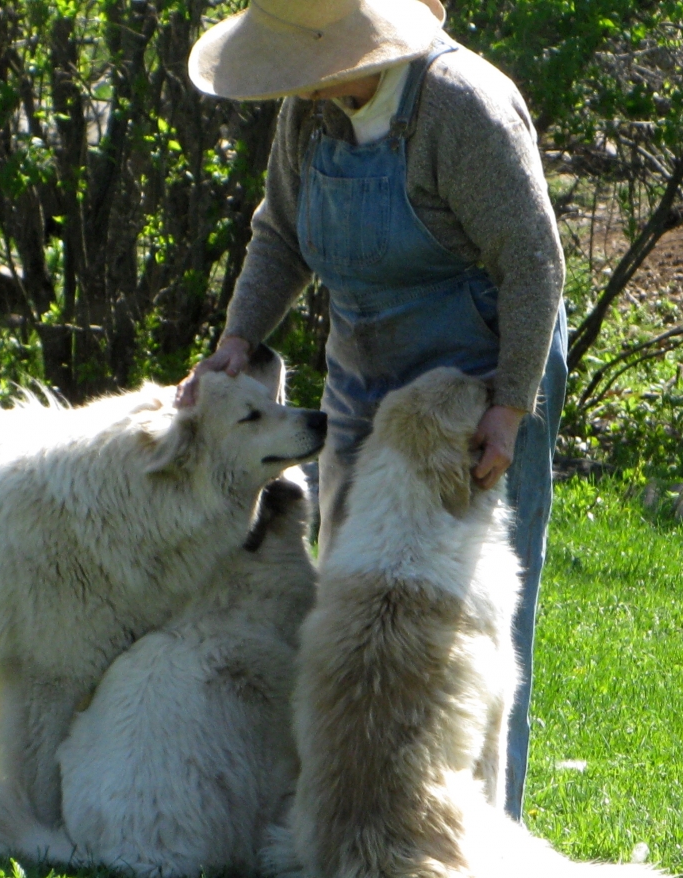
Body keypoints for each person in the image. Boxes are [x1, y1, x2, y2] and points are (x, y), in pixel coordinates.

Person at [176, 0, 567, 821]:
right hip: (363, 370)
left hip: (478, 380)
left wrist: (507, 406)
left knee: (471, 610)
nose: (301, 83)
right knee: (351, 598)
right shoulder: (307, 115)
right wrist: (239, 337)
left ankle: (490, 823)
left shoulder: (461, 106)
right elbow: (280, 234)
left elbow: (532, 264)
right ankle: (339, 812)